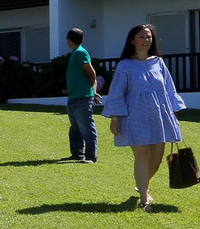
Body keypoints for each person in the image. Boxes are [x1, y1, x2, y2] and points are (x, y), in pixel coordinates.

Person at [102, 24, 185, 211]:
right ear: (133, 40)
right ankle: (144, 199)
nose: (146, 40)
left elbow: (169, 90)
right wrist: (115, 118)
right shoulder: (125, 65)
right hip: (134, 116)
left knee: (157, 158)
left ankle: (142, 186)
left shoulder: (159, 62)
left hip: (159, 116)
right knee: (142, 157)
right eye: (142, 36)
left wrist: (173, 114)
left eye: (149, 37)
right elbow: (117, 93)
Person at [65, 28, 99, 163]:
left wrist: (92, 89)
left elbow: (91, 72)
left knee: (86, 127)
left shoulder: (80, 52)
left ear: (68, 40)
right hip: (74, 96)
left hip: (82, 96)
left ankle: (91, 156)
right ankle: (77, 153)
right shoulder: (77, 53)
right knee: (75, 128)